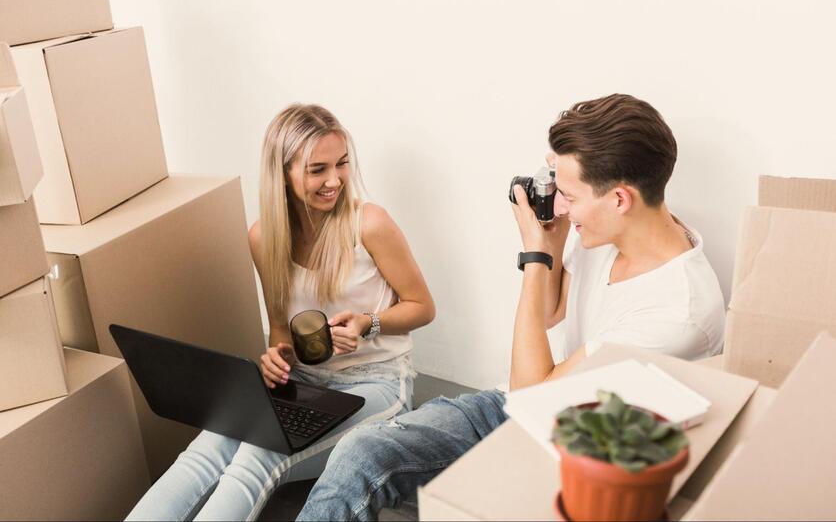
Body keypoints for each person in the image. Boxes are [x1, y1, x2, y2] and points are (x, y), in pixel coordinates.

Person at [295, 94, 726, 521]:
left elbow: (533, 393)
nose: (561, 205)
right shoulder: (612, 230)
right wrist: (554, 241)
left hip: (579, 448)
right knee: (361, 451)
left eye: (570, 197)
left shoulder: (676, 311)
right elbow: (551, 312)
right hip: (532, 403)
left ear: (619, 199)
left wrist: (535, 257)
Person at [126, 104, 435, 521]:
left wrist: (368, 324)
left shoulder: (369, 224)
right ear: (283, 173)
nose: (334, 180)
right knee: (205, 448)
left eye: (342, 164)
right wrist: (276, 360)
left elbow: (423, 307)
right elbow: (280, 332)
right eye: (317, 169)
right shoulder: (264, 237)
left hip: (378, 384)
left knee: (258, 456)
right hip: (306, 383)